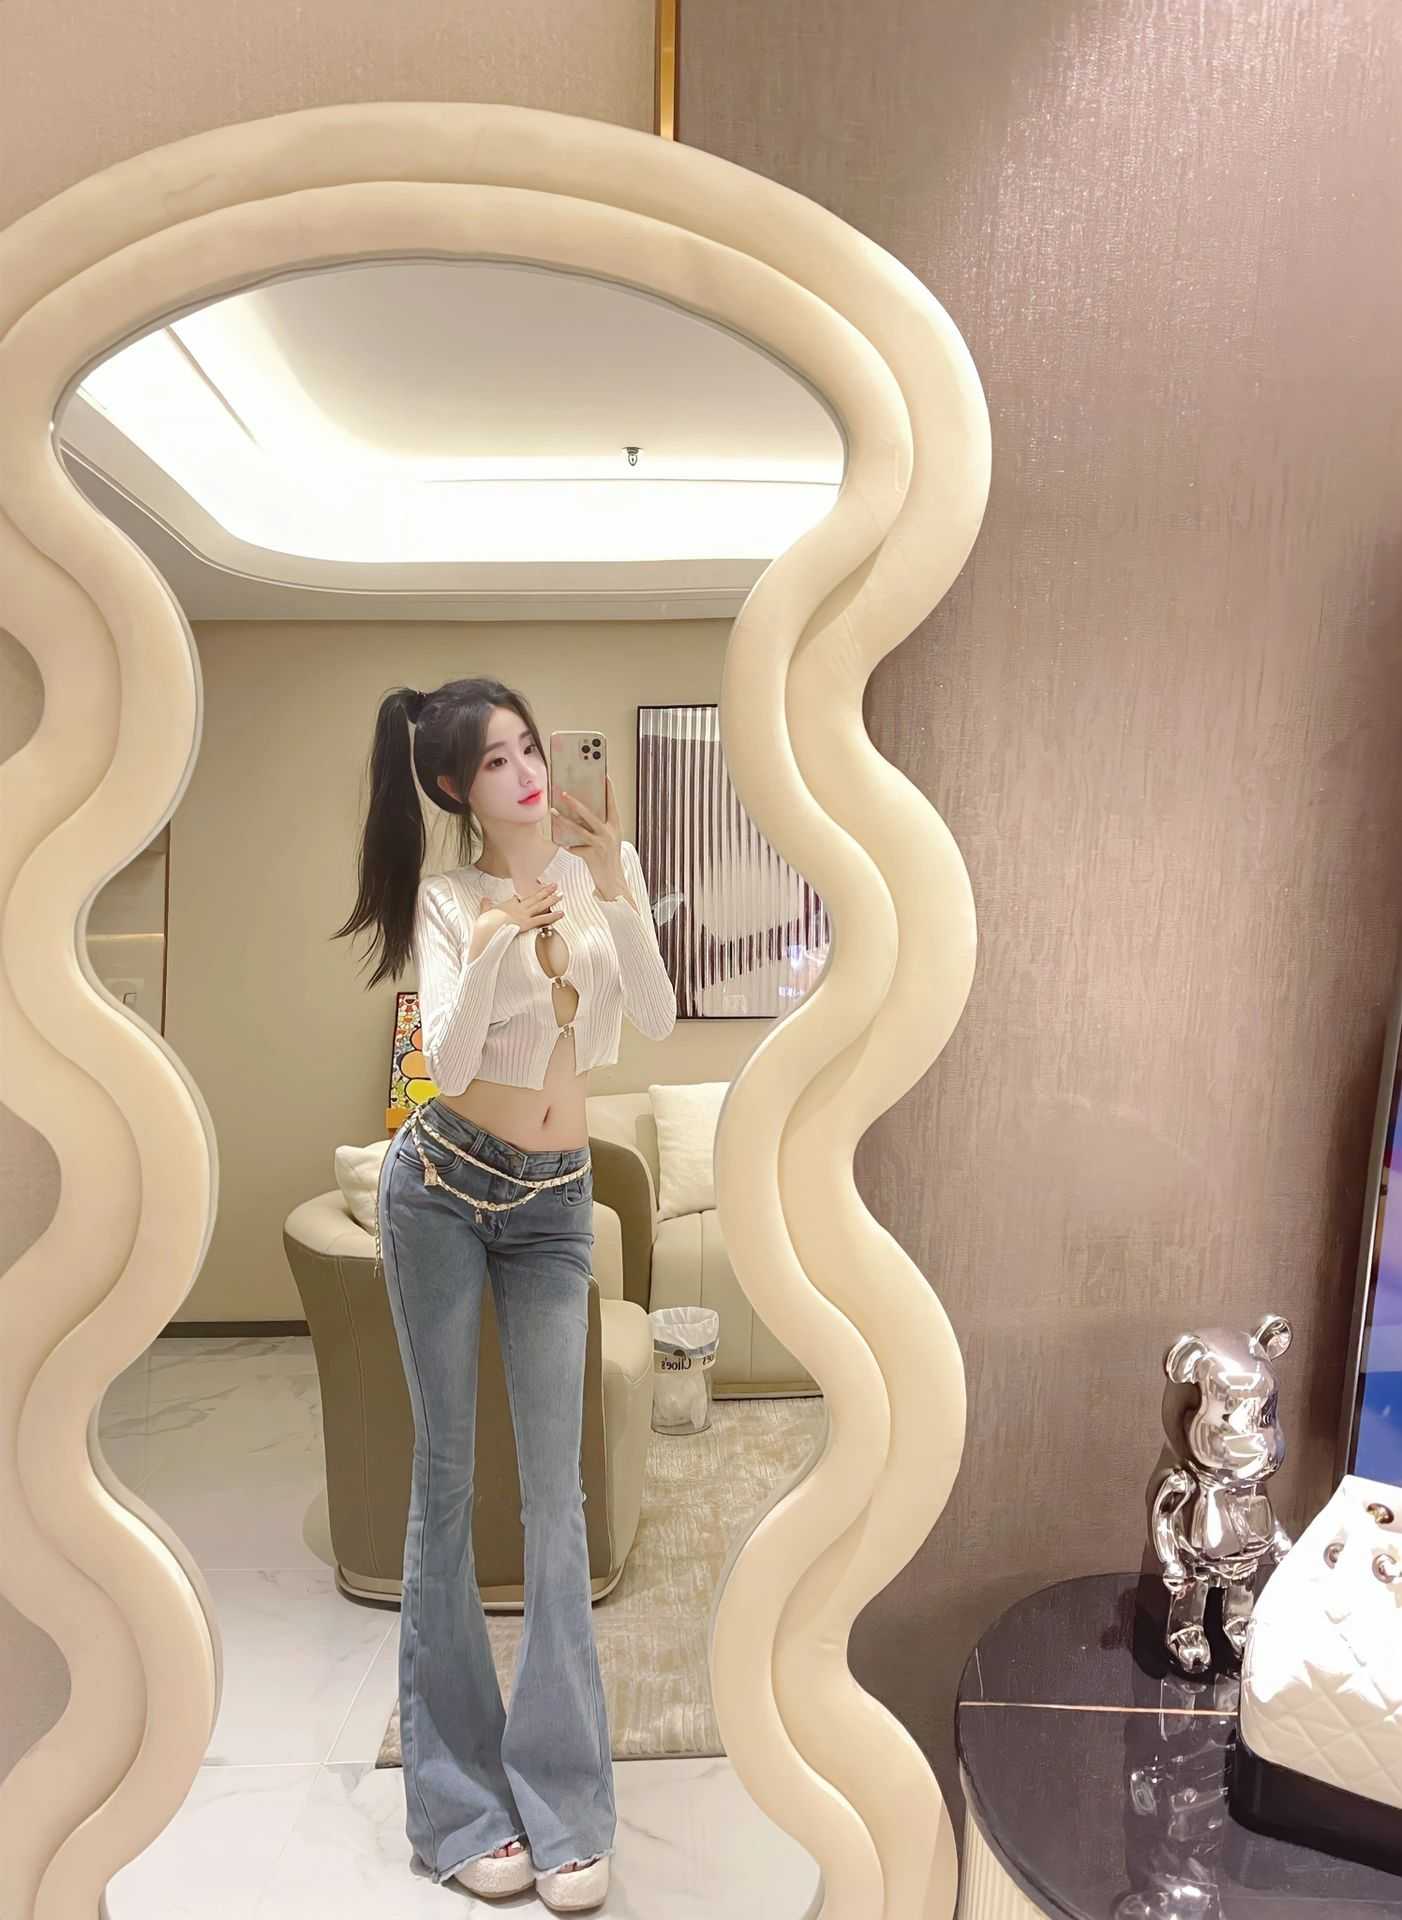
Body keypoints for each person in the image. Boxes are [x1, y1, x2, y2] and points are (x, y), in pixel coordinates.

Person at [332, 675, 676, 1910]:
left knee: (555, 1500)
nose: (528, 774)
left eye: (530, 749)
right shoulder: (444, 899)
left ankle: (565, 1803)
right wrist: (485, 947)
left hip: (552, 1207)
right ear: (451, 787)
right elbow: (447, 1060)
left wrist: (618, 878)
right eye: (496, 761)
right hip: (437, 1189)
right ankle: (458, 1807)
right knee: (443, 1486)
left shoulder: (588, 880)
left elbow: (653, 1016)